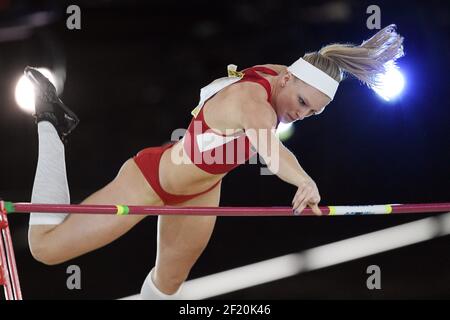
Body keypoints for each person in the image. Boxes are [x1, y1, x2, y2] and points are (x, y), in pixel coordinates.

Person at [26, 25, 404, 299]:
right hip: (151, 179)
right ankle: (52, 125)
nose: (301, 114)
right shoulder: (251, 102)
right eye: (303, 103)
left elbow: (301, 90)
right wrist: (302, 179)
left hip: (201, 192)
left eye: (314, 113)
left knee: (168, 284)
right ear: (287, 79)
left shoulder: (283, 77)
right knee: (45, 249)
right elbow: (269, 149)